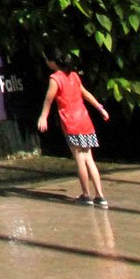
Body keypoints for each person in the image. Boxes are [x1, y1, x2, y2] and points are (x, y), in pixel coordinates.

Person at [37, 51, 110, 206]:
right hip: (85, 121)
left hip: (72, 123)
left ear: (52, 63)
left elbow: (48, 100)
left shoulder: (55, 78)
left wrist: (43, 117)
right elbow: (86, 94)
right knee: (89, 158)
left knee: (80, 159)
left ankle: (86, 195)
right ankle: (100, 195)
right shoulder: (74, 76)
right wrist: (100, 108)